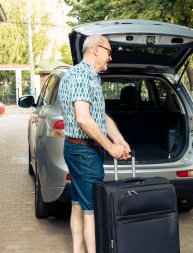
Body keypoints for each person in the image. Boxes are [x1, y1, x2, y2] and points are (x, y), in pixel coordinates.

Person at [59, 34, 131, 253]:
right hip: (84, 151)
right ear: (97, 50)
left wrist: (118, 139)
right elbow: (83, 118)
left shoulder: (84, 75)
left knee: (78, 205)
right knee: (92, 211)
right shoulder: (82, 76)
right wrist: (110, 148)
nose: (110, 58)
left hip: (77, 149)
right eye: (109, 52)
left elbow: (99, 115)